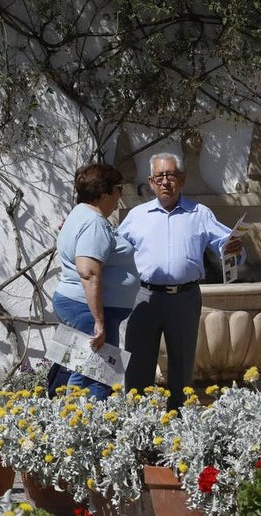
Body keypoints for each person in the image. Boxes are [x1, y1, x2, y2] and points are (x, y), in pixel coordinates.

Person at [117, 152, 244, 409]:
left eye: (171, 175)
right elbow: (112, 249)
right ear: (151, 182)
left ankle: (179, 422)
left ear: (182, 179)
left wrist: (236, 250)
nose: (166, 182)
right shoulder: (136, 216)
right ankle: (138, 422)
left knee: (182, 365)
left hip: (185, 299)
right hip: (145, 298)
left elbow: (226, 243)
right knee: (139, 365)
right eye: (159, 177)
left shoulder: (200, 213)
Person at [48, 162, 136, 399]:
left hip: (78, 305)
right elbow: (88, 272)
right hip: (87, 309)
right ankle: (86, 430)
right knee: (94, 376)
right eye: (118, 188)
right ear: (104, 193)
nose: (120, 195)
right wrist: (99, 320)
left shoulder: (79, 215)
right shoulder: (93, 223)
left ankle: (58, 422)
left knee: (72, 369)